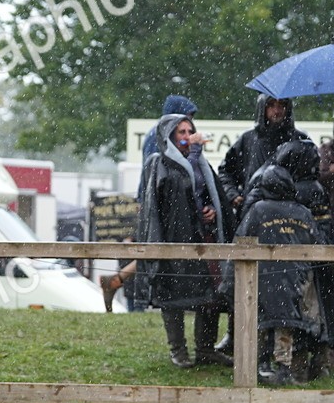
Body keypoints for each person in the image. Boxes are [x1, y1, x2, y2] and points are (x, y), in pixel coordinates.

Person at [138, 113, 234, 368]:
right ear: (169, 136)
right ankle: (178, 350)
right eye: (180, 132)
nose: (186, 136)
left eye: (189, 131)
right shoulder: (159, 163)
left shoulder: (202, 163)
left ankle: (205, 349)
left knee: (211, 294)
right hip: (174, 239)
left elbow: (204, 193)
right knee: (173, 296)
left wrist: (212, 211)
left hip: (204, 239)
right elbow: (174, 191)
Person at [220, 165, 320, 385]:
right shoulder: (302, 212)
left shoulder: (258, 210)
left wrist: (228, 282)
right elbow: (317, 244)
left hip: (262, 280)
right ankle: (284, 369)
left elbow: (240, 242)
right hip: (294, 281)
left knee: (259, 325)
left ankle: (252, 370)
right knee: (286, 324)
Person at [104, 95, 201, 312]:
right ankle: (124, 287)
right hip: (160, 201)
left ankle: (120, 283)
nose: (190, 123)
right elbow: (164, 168)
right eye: (187, 116)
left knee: (156, 248)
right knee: (157, 248)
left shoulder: (154, 134)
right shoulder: (159, 137)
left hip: (155, 199)